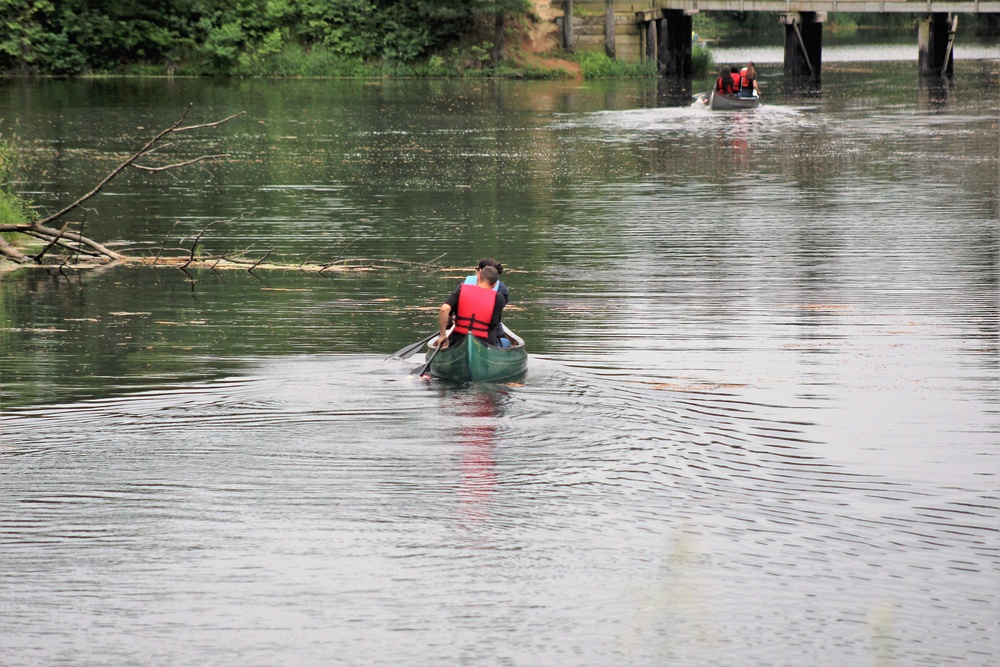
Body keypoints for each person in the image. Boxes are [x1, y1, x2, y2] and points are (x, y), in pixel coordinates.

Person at [438, 265, 506, 350]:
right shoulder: (499, 297)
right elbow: (494, 324)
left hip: (459, 339)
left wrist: (442, 335)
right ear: (494, 284)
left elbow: (444, 309)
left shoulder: (462, 289)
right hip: (485, 342)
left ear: (478, 276)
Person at [461, 258, 510, 346]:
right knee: (505, 342)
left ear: (480, 271)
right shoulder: (501, 289)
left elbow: (449, 309)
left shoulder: (463, 285)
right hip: (491, 334)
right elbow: (497, 311)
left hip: (463, 333)